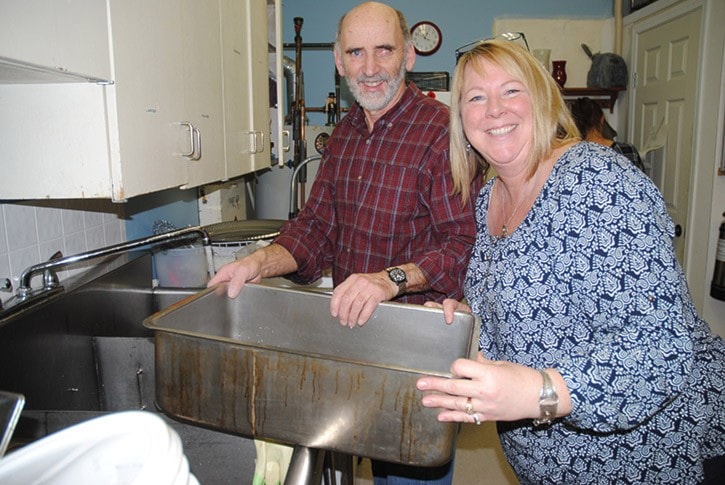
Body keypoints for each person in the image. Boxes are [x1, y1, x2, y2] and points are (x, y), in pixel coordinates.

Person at [415, 38, 725, 484]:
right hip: (548, 463)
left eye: (511, 90)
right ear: (461, 121)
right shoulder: (489, 199)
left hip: (644, 456)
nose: (495, 110)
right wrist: (468, 326)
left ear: (542, 100)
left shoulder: (597, 182)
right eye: (476, 97)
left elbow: (660, 353)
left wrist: (538, 394)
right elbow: (522, 321)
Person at [209, 2, 481, 483]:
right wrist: (257, 262)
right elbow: (315, 227)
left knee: (406, 473)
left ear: (408, 57)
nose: (371, 68)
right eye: (356, 52)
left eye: (384, 50)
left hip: (413, 355)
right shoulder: (345, 134)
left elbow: (461, 244)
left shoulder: (442, 132)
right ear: (338, 60)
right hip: (352, 340)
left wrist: (389, 280)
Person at [570, 96, 646, 172]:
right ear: (602, 119)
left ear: (572, 123)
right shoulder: (628, 150)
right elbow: (643, 181)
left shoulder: (571, 155)